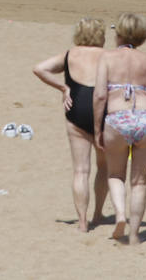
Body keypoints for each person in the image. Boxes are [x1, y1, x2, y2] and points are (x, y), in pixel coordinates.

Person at [94, 13, 146, 246]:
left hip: (117, 117)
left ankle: (119, 215)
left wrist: (97, 127)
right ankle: (135, 235)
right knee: (139, 182)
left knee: (115, 174)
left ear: (119, 34)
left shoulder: (107, 58)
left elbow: (99, 96)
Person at [32, 18, 109, 232]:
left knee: (80, 171)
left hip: (76, 108)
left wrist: (63, 87)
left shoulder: (69, 55)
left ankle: (82, 222)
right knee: (103, 166)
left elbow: (39, 69)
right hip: (102, 112)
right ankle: (98, 214)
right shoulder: (109, 56)